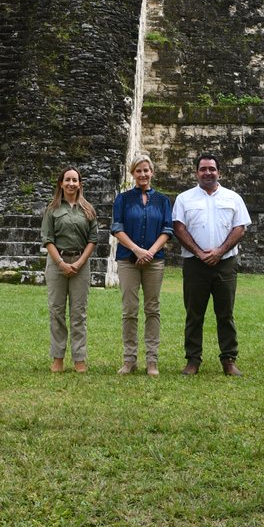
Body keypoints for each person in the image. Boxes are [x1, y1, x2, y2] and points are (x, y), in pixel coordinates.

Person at [171, 153, 251, 377]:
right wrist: (199, 252)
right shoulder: (184, 199)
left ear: (219, 172)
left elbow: (240, 228)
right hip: (194, 264)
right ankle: (193, 360)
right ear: (196, 173)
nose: (208, 173)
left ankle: (229, 360)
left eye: (212, 169)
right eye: (203, 169)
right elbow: (178, 228)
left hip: (225, 264)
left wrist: (219, 251)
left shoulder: (233, 198)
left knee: (225, 313)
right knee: (194, 314)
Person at [111, 154, 173, 376]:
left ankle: (152, 361)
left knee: (152, 309)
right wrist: (137, 250)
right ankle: (129, 359)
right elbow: (117, 228)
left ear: (152, 172)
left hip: (154, 261)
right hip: (128, 260)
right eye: (138, 170)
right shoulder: (123, 199)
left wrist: (150, 252)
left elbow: (167, 229)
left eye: (146, 170)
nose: (143, 174)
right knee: (129, 310)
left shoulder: (163, 201)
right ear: (132, 174)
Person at [41, 165, 98, 373]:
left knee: (78, 313)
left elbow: (93, 239)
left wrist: (78, 263)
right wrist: (61, 263)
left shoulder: (88, 210)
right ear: (61, 183)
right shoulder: (52, 209)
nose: (71, 183)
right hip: (57, 264)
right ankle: (57, 358)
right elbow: (47, 239)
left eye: (75, 180)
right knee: (56, 311)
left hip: (80, 264)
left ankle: (79, 358)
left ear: (80, 184)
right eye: (67, 180)